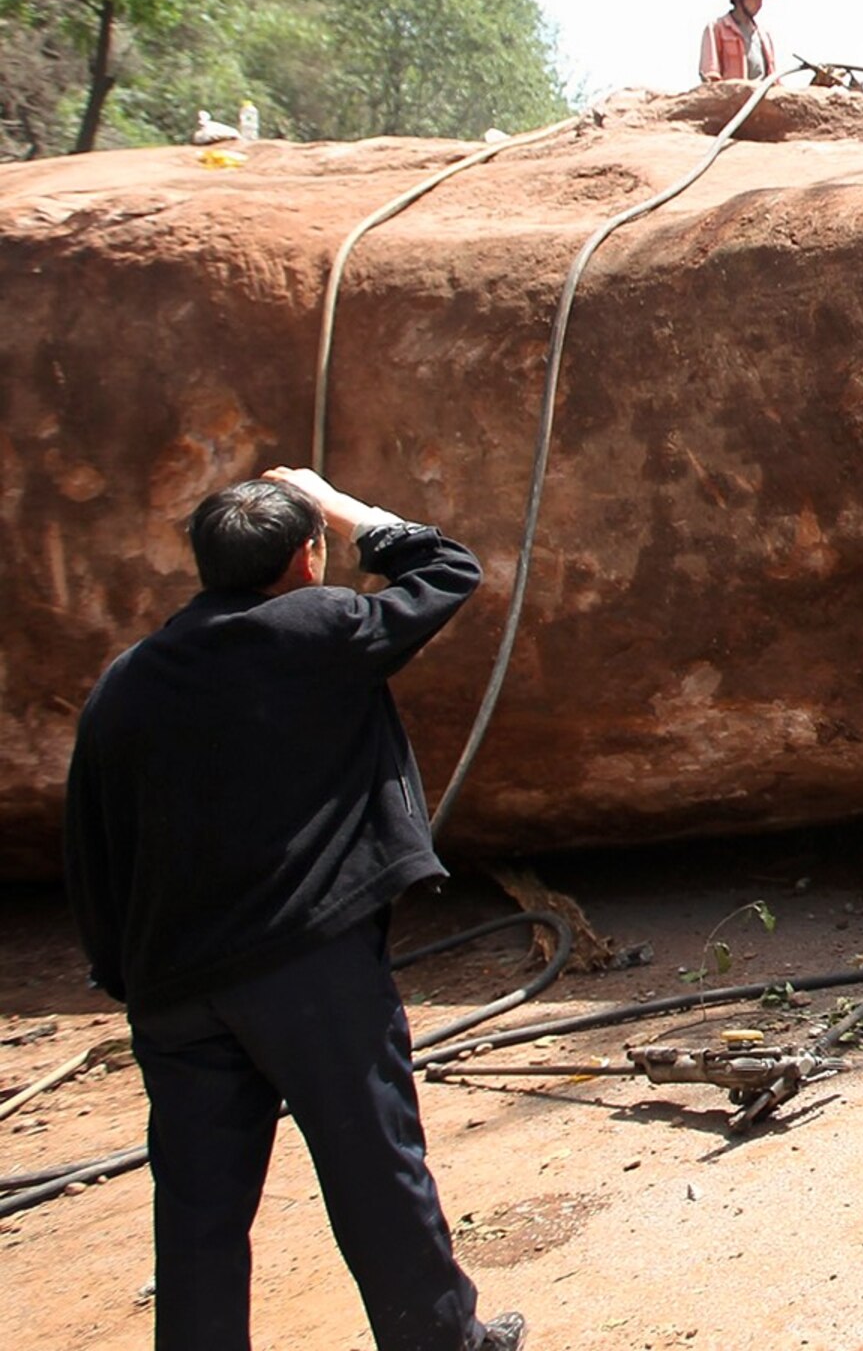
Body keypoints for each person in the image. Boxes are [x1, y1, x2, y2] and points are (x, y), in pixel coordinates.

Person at [62, 468, 522, 1351]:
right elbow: (449, 570)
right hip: (307, 974)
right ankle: (440, 1343)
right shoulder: (317, 627)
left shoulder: (126, 682)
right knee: (374, 1168)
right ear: (307, 559)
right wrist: (346, 507)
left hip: (175, 987)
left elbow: (91, 846)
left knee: (197, 1209)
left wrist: (129, 977)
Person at [697, 0, 777, 83]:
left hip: (761, 97)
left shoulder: (764, 35)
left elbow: (773, 77)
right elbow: (711, 74)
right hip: (732, 98)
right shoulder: (716, 28)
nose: (759, 4)